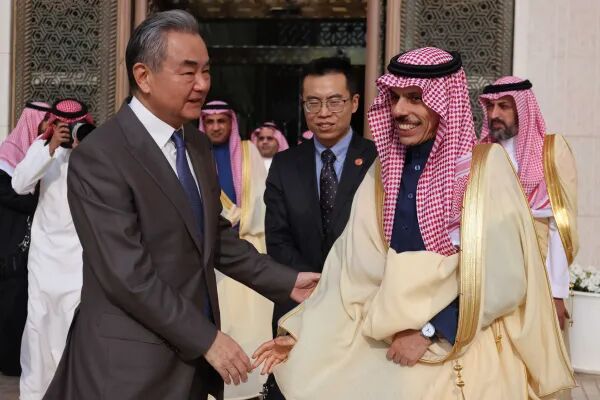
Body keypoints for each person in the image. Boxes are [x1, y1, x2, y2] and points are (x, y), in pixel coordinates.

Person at [253, 47, 575, 400]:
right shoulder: (381, 173)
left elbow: (505, 276)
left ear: (444, 102)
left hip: (466, 343)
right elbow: (350, 270)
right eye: (394, 97)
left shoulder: (484, 170)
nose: (398, 110)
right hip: (389, 342)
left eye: (415, 98)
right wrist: (303, 332)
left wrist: (429, 331)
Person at [43, 10, 318, 400]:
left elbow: (213, 238)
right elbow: (127, 275)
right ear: (143, 76)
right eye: (188, 72)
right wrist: (207, 339)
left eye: (206, 71)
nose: (202, 84)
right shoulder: (102, 155)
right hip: (128, 367)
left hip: (189, 368)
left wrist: (286, 282)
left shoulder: (196, 145)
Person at [262, 56, 377, 399]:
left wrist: (342, 291)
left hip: (361, 308)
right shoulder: (285, 165)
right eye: (313, 102)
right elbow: (278, 240)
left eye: (334, 101)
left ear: (354, 103)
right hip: (299, 307)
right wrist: (317, 289)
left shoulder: (379, 160)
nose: (323, 112)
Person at [479, 77, 578, 330]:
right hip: (489, 277)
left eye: (504, 106)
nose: (494, 114)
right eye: (490, 106)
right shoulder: (480, 154)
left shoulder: (550, 152)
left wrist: (557, 293)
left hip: (536, 273)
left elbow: (558, 227)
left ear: (523, 109)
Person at [11, 99, 94, 399]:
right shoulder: (42, 148)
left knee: (72, 326)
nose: (68, 131)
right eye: (63, 126)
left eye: (73, 126)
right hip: (45, 256)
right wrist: (50, 148)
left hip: (79, 255)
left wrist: (85, 148)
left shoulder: (94, 150)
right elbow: (19, 184)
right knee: (39, 326)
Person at [200, 101, 275, 400]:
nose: (216, 127)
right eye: (210, 122)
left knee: (253, 325)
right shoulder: (195, 153)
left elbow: (261, 198)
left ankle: (253, 387)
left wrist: (235, 217)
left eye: (222, 121)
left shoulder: (248, 151)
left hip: (249, 245)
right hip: (210, 250)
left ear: (231, 123)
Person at [0, 102, 50, 376]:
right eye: (44, 121)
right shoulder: (7, 156)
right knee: (11, 301)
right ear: (32, 122)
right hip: (10, 241)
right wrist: (36, 200)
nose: (48, 126)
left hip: (34, 242)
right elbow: (9, 195)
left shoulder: (42, 154)